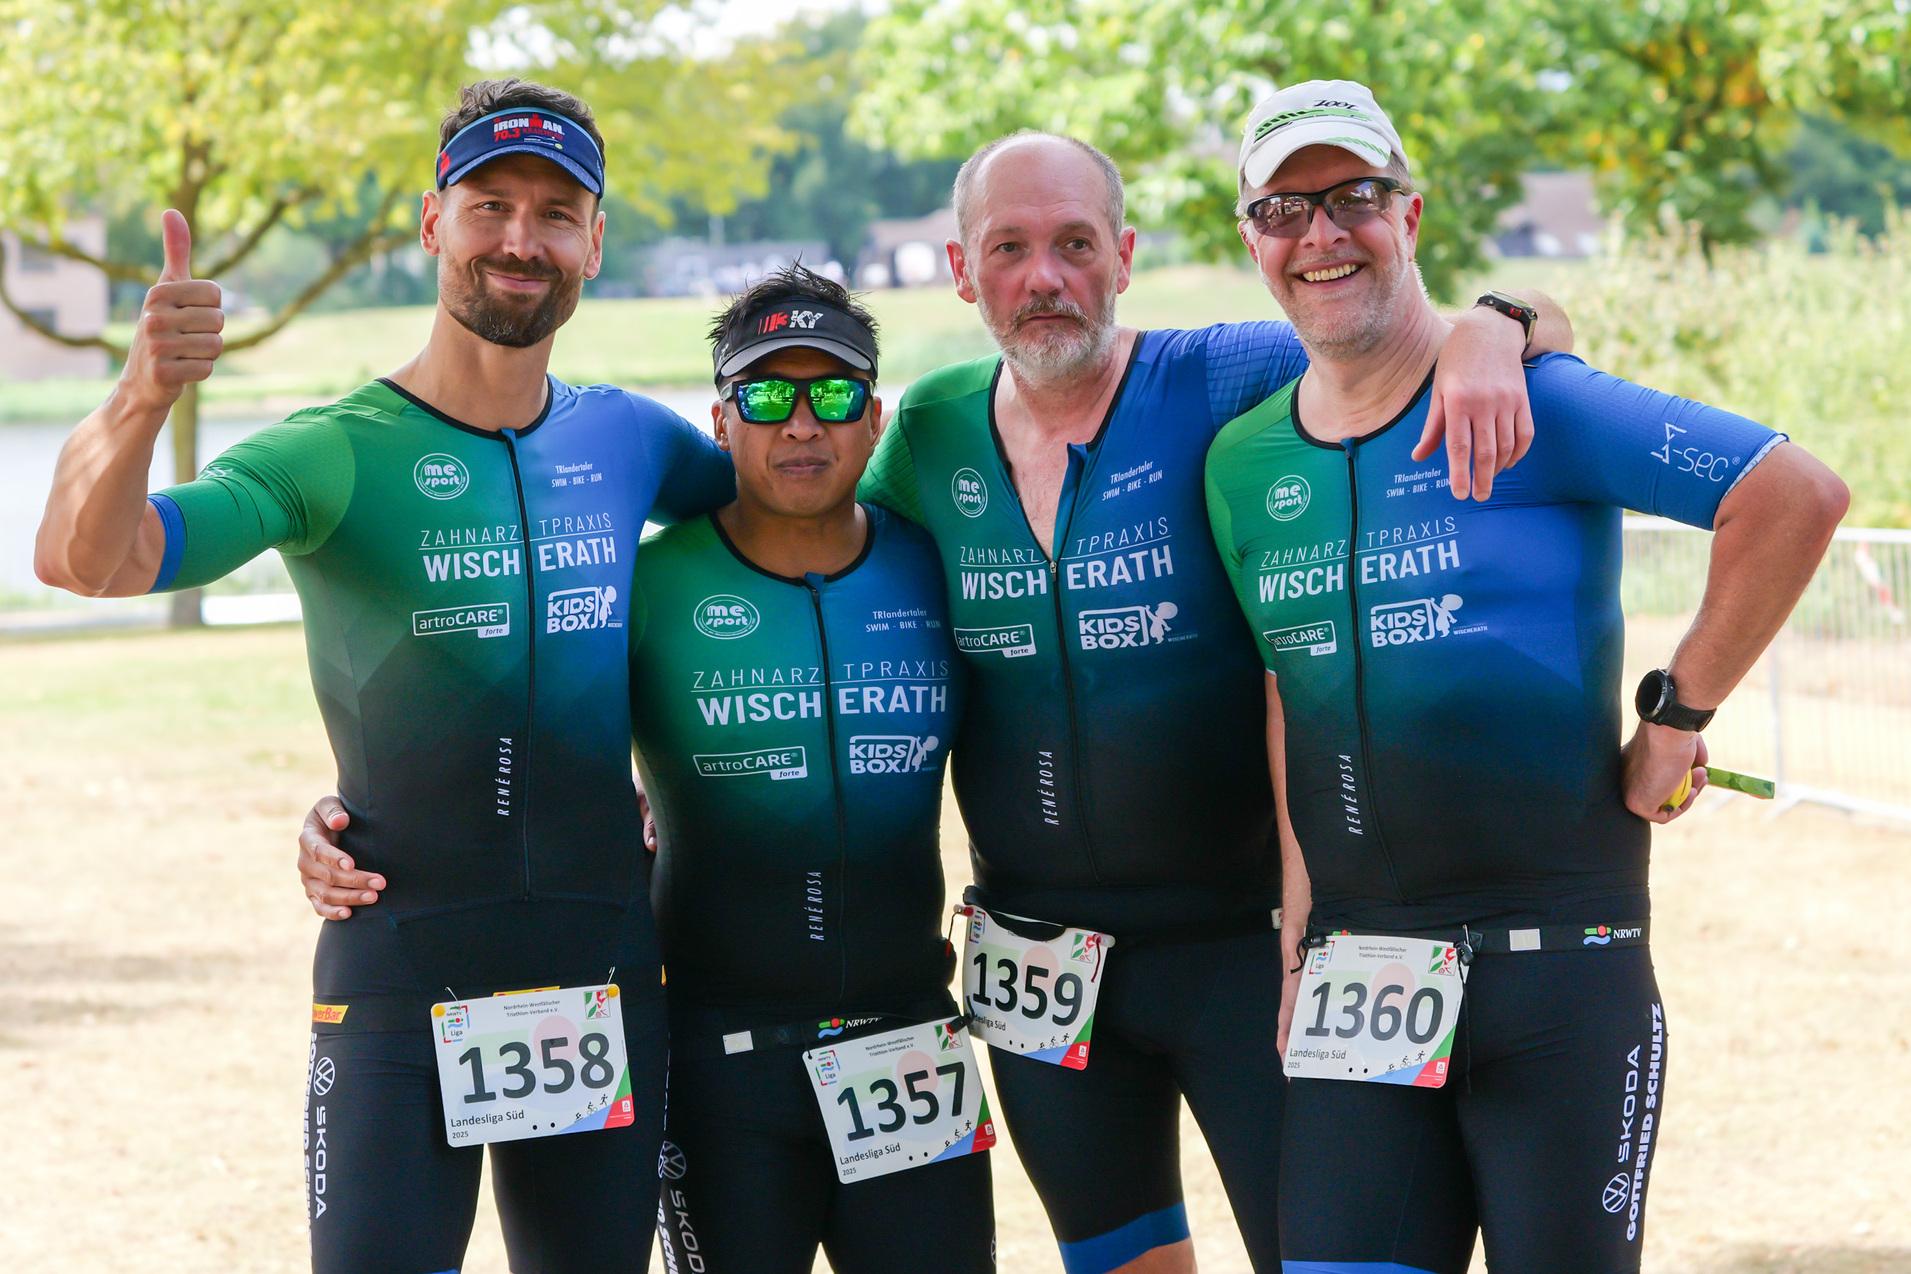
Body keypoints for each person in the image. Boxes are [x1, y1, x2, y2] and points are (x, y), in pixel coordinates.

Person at [35, 79, 734, 1273]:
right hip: (399, 979)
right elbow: (89, 560)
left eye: (558, 212)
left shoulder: (634, 439)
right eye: (490, 205)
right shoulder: (334, 450)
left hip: (601, 971)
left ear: (596, 242)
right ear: (431, 223)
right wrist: (144, 394)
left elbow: (801, 536)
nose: (522, 239)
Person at [853, 130, 1570, 1273]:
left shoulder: (1219, 371)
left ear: (1125, 256)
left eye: (1076, 245)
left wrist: (1500, 321)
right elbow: (789, 547)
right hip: (1039, 959)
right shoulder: (930, 431)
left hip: (1248, 948)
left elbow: (1398, 322)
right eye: (1012, 248)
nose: (1046, 278)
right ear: (959, 269)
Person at [1203, 80, 1848, 1273]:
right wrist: (1297, 947)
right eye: (1285, 209)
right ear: (1251, 236)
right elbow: (1292, 699)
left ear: (1411, 212)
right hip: (1360, 985)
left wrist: (1677, 713)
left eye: (1354, 197)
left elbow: (1792, 493)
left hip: (1563, 974)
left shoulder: (1529, 400)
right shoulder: (1242, 461)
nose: (1321, 233)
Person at [300, 266, 998, 1272]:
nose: (801, 422)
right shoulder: (649, 580)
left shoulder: (934, 563)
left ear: (876, 415)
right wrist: (349, 809)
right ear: (719, 420)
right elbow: (510, 712)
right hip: (714, 1060)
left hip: (912, 1038)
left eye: (834, 393)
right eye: (765, 395)